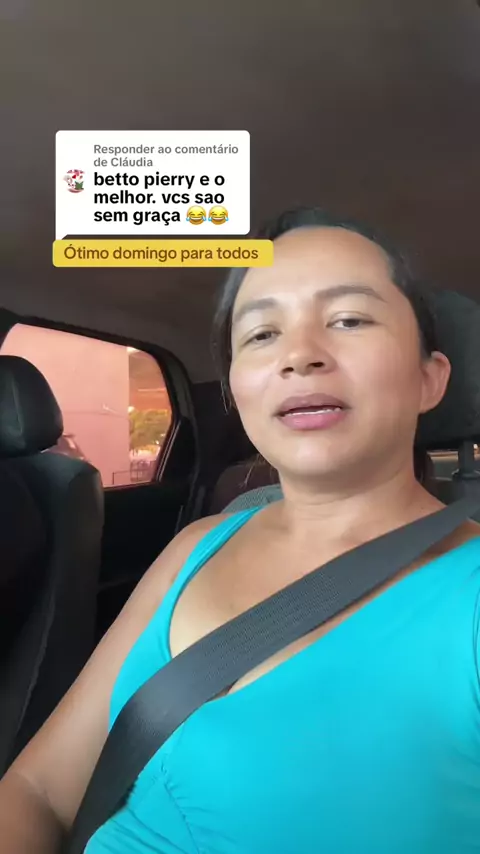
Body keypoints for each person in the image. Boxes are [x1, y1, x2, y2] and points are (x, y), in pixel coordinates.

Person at [1, 208, 480, 854]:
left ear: (430, 379)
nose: (299, 355)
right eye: (261, 334)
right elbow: (37, 791)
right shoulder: (196, 546)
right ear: (235, 389)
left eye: (348, 319)